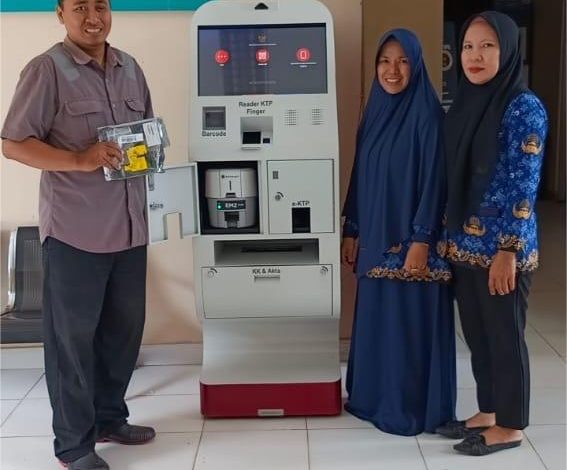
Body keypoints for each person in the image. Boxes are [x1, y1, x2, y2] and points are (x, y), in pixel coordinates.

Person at [1, 1, 157, 468]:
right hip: (75, 232)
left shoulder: (130, 68)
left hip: (130, 227)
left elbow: (145, 136)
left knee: (123, 333)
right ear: (60, 13)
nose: (93, 17)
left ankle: (109, 418)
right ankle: (74, 445)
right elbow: (14, 144)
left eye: (101, 6)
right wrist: (79, 159)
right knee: (72, 344)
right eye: (80, 7)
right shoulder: (46, 70)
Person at [436, 11, 548, 456]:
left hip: (503, 249)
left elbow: (524, 184)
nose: (475, 56)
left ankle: (511, 425)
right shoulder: (467, 101)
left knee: (505, 336)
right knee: (478, 335)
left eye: (488, 46)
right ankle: (488, 411)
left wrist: (508, 250)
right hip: (465, 245)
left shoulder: (523, 106)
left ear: (508, 51)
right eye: (468, 46)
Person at [341, 28, 456, 436]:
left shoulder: (427, 116)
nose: (393, 70)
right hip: (375, 237)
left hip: (411, 244)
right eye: (385, 61)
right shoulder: (374, 113)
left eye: (403, 61)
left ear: (417, 65)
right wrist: (352, 227)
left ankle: (406, 408)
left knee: (406, 328)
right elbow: (360, 174)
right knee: (379, 323)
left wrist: (422, 239)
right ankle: (372, 400)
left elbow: (436, 183)